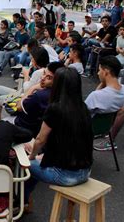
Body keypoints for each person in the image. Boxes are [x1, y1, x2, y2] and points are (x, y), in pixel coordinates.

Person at [25, 67, 93, 204]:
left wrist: (31, 158)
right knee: (37, 158)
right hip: (85, 172)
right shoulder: (83, 107)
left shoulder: (55, 108)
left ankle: (20, 202)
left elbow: (40, 140)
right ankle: (24, 201)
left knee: (23, 163)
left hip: (64, 175)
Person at [5, 61, 63, 137]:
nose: (42, 78)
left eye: (49, 77)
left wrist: (33, 88)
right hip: (38, 130)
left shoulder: (39, 96)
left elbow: (18, 107)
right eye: (44, 73)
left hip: (23, 127)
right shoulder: (62, 94)